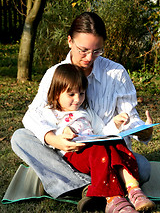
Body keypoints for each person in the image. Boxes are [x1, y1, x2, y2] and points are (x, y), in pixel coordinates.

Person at [11, 12, 153, 212]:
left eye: (97, 51)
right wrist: (55, 140)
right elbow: (33, 115)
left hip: (108, 152)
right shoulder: (55, 73)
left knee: (144, 168)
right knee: (20, 137)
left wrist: (141, 130)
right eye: (83, 50)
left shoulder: (116, 73)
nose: (89, 58)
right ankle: (93, 186)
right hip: (67, 154)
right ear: (70, 41)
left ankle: (78, 186)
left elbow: (129, 117)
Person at [42, 63, 155, 213]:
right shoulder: (51, 113)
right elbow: (45, 134)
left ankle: (134, 190)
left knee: (116, 144)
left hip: (95, 149)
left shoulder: (86, 111)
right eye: (71, 94)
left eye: (81, 94)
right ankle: (113, 199)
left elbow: (102, 131)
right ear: (57, 93)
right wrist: (64, 132)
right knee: (99, 150)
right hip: (74, 154)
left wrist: (115, 123)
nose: (77, 99)